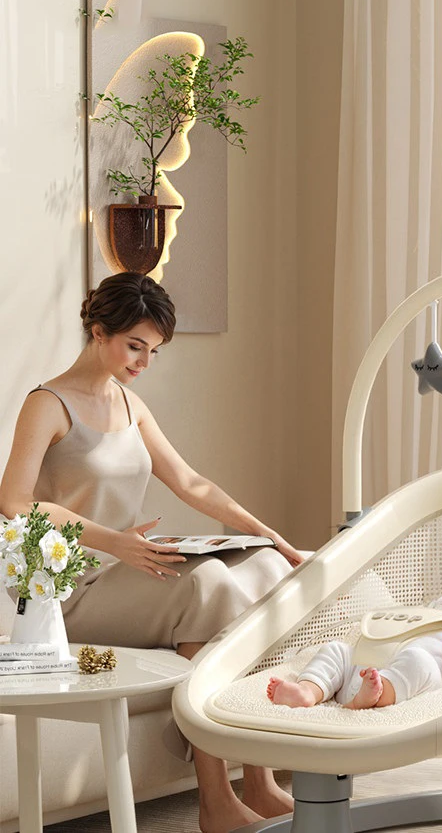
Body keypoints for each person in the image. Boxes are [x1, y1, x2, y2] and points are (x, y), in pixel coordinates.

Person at [0, 272, 303, 833]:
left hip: (131, 576)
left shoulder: (130, 405)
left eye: (154, 351)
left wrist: (273, 538)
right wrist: (114, 541)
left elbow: (191, 484)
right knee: (206, 583)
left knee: (261, 566)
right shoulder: (47, 404)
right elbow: (15, 502)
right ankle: (216, 801)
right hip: (67, 596)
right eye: (135, 346)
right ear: (99, 332)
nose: (145, 361)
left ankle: (258, 784)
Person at [267, 546, 442, 711]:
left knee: (417, 661)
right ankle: (309, 691)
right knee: (337, 650)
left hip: (419, 675)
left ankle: (373, 698)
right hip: (373, 664)